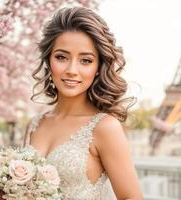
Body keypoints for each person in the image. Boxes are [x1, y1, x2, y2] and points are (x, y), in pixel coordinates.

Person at [23, 6, 142, 200]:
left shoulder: (105, 127)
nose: (71, 69)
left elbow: (132, 197)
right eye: (61, 57)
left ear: (97, 67)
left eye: (85, 60)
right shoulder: (34, 124)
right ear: (48, 60)